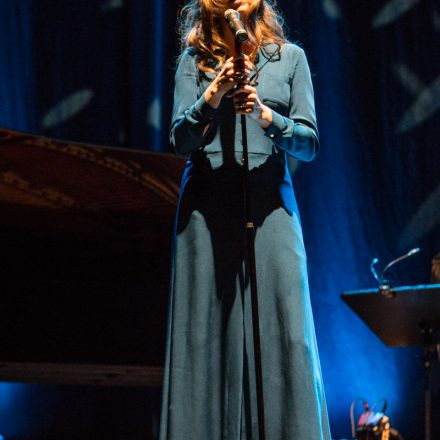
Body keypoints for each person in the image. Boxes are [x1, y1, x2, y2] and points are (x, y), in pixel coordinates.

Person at [160, 0, 331, 438]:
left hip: (270, 205)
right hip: (206, 208)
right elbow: (180, 140)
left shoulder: (290, 57)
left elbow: (309, 143)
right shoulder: (193, 59)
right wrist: (212, 94)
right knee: (203, 337)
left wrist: (266, 116)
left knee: (285, 333)